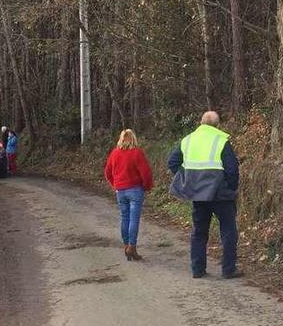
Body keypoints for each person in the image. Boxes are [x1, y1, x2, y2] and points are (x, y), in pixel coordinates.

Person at [168, 111, 242, 279]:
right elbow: (232, 169)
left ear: (200, 123)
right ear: (217, 125)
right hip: (220, 193)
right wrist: (231, 187)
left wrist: (187, 180)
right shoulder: (221, 141)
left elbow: (172, 162)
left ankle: (197, 269)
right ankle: (228, 269)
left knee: (199, 232)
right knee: (228, 230)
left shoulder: (187, 140)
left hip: (197, 193)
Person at [104, 129, 154, 261]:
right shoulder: (137, 153)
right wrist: (147, 186)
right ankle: (132, 246)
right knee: (134, 219)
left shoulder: (115, 153)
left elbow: (107, 172)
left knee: (124, 218)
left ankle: (126, 246)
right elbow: (146, 173)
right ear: (133, 139)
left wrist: (115, 184)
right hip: (135, 190)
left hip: (120, 190)